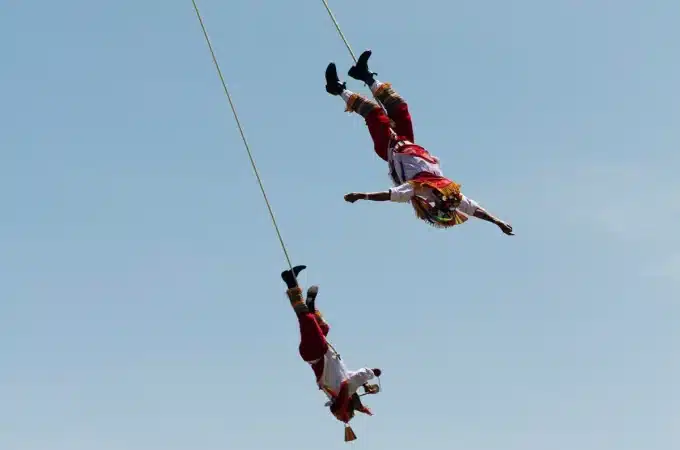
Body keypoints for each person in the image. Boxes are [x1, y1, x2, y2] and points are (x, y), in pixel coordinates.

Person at [325, 50, 514, 234]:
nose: (446, 194)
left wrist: (361, 196)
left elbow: (388, 195)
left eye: (443, 200)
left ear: (437, 203)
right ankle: (364, 75)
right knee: (399, 108)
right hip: (407, 142)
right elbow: (473, 209)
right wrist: (497, 222)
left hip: (389, 147)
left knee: (375, 114)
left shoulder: (416, 189)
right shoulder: (449, 190)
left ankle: (338, 89)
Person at [281, 264, 381, 441]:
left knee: (307, 319)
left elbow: (357, 377)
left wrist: (371, 373)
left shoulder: (345, 389)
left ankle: (290, 282)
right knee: (323, 327)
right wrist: (365, 388)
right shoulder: (339, 389)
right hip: (318, 351)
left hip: (315, 352)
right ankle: (308, 302)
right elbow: (350, 376)